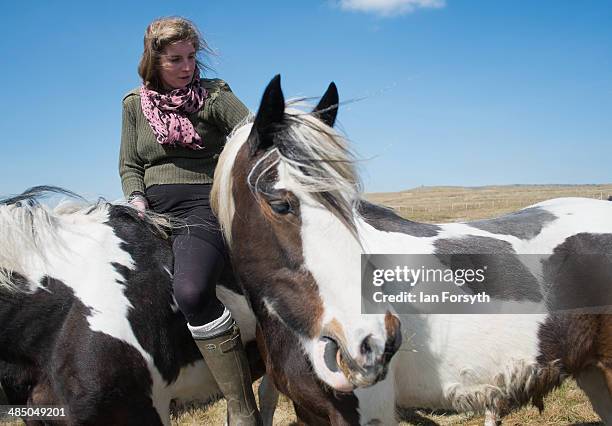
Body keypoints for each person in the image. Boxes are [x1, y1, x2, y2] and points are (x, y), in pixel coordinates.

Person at [118, 17, 260, 425]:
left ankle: (241, 408)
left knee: (193, 292)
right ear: (153, 60)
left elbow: (255, 134)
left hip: (204, 204)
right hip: (149, 211)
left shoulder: (215, 96)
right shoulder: (133, 104)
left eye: (191, 57)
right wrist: (137, 201)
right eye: (175, 59)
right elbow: (130, 165)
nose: (186, 67)